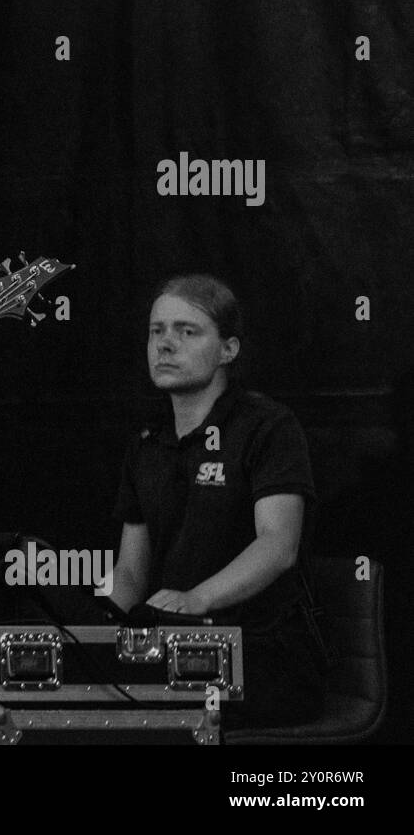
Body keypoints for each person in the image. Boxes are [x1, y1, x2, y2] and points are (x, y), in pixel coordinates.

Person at [107, 274, 327, 728]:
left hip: (264, 654)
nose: (165, 344)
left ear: (228, 349)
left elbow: (278, 545)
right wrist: (93, 636)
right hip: (174, 651)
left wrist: (197, 598)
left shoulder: (268, 426)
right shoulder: (146, 443)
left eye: (187, 331)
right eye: (157, 331)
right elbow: (130, 572)